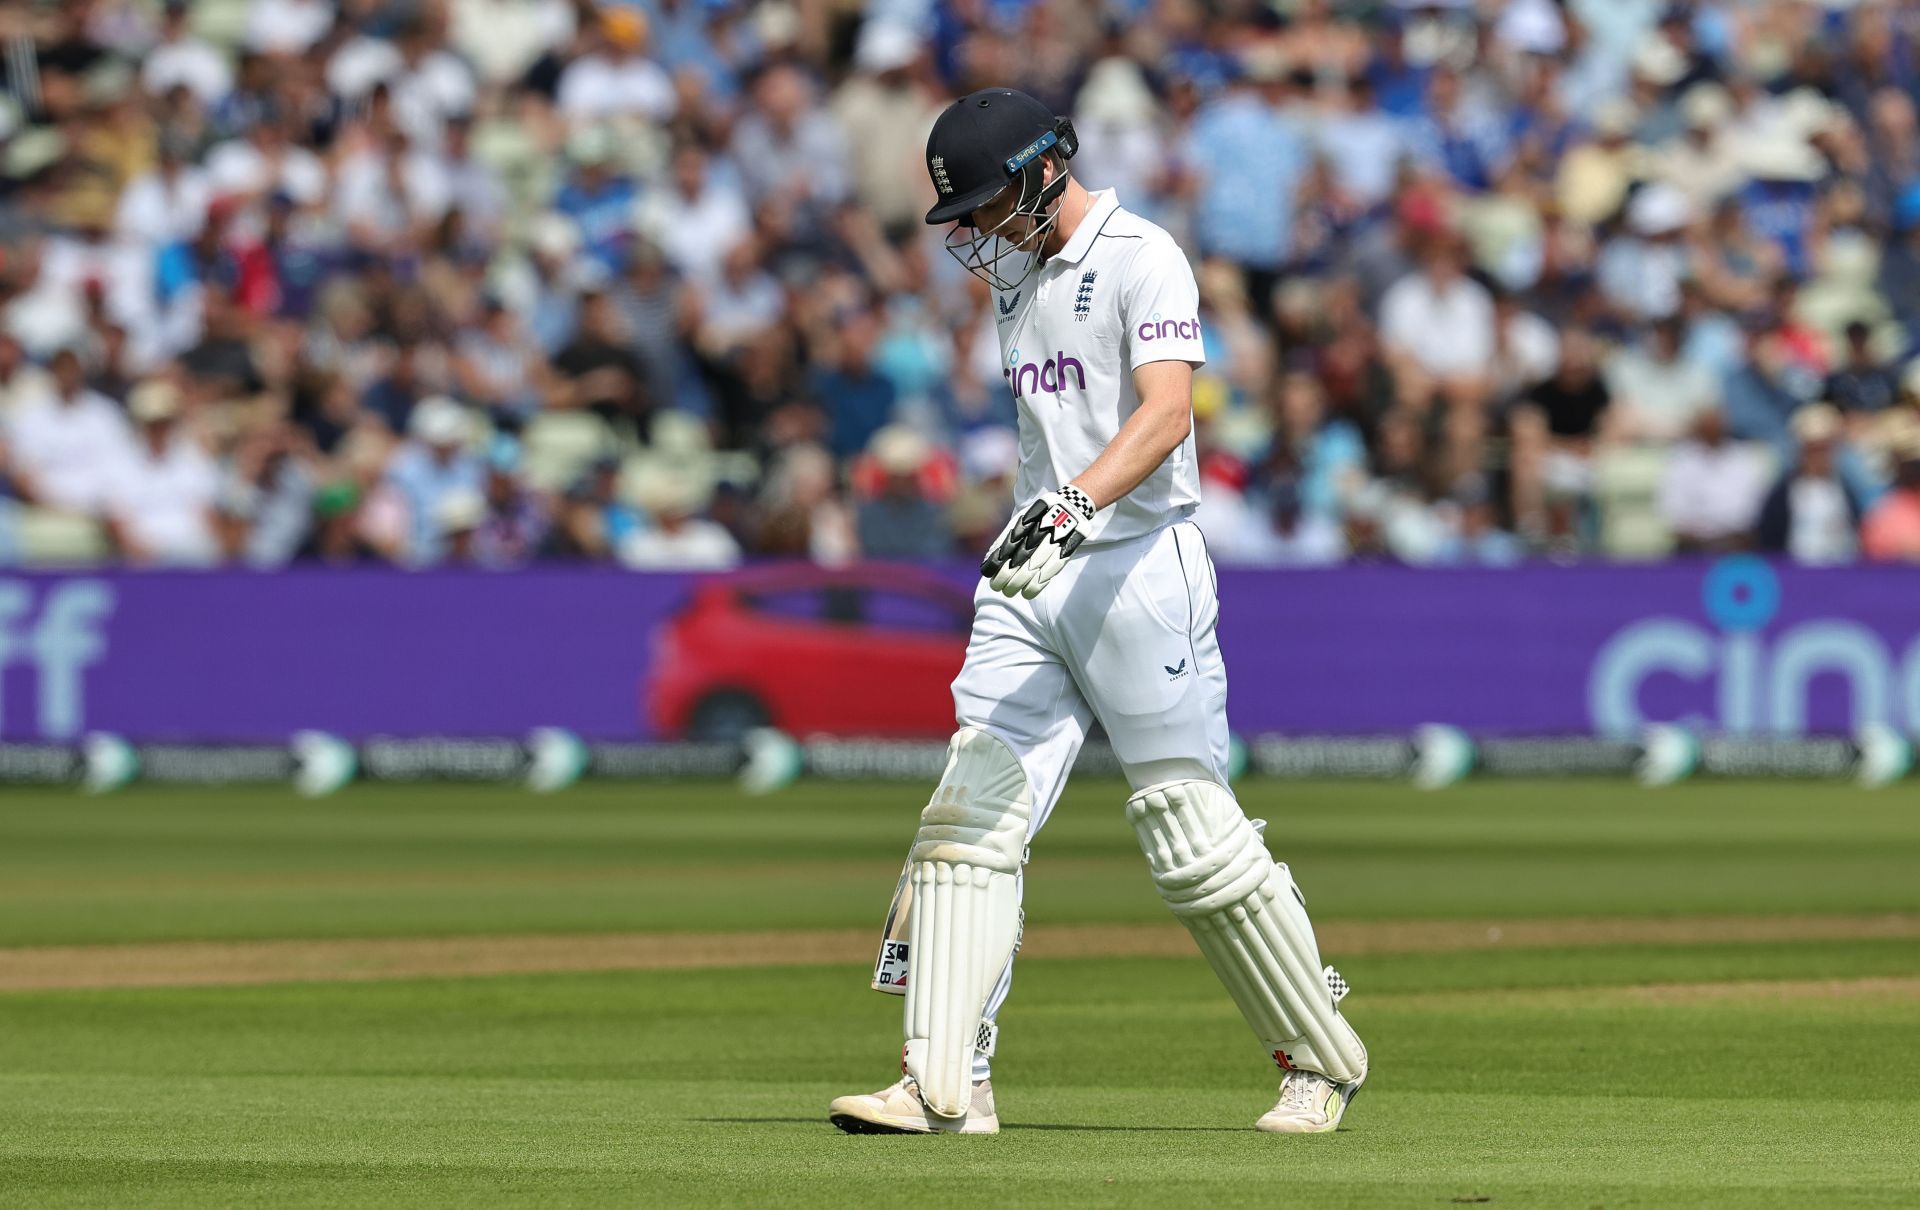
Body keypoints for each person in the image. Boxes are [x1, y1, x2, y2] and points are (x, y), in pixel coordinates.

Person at [830, 88, 1367, 1139]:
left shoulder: (1142, 254)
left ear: (1041, 172)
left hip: (1136, 566)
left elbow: (1167, 411)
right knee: (968, 813)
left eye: (986, 205)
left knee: (1189, 834)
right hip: (1035, 571)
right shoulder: (1018, 279)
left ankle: (1319, 1061)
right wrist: (1043, 518)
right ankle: (946, 1081)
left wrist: (1077, 503)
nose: (977, 233)